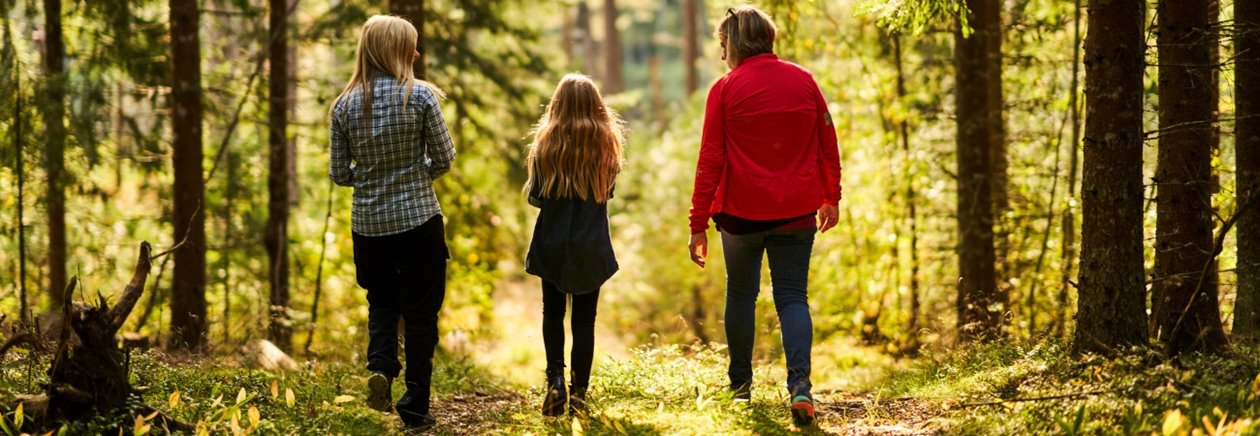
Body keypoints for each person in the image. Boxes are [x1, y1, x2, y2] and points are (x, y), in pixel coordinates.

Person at [686, 5, 842, 427]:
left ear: (735, 43)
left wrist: (698, 222)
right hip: (796, 211)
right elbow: (827, 140)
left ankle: (740, 390)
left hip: (740, 215)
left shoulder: (725, 89)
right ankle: (801, 388)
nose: (722, 56)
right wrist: (832, 196)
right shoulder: (804, 81)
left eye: (723, 46)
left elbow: (710, 159)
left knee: (740, 295)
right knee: (792, 297)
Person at [328, 14, 455, 430]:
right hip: (419, 220)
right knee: (421, 314)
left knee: (381, 301)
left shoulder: (344, 105)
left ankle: (381, 366)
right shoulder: (420, 98)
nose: (417, 53)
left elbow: (339, 173)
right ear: (396, 50)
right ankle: (416, 406)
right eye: (411, 46)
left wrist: (372, 176)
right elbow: (445, 158)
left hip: (369, 226)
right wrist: (415, 173)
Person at [524, 74, 624, 417]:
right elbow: (606, 192)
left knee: (552, 312)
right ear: (597, 106)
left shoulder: (545, 142)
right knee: (585, 321)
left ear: (557, 104)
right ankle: (579, 393)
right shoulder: (607, 142)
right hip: (590, 243)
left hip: (551, 241)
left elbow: (536, 197)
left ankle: (554, 382)